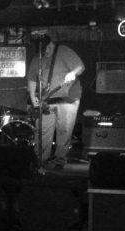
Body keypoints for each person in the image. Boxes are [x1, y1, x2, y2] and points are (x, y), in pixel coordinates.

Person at [27, 32, 85, 169]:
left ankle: (60, 160)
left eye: (47, 49)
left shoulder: (63, 51)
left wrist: (72, 73)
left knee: (64, 131)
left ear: (51, 44)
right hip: (47, 100)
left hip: (67, 100)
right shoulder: (37, 57)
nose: (45, 53)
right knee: (42, 129)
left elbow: (80, 66)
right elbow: (31, 78)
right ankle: (41, 160)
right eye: (42, 51)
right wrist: (32, 96)